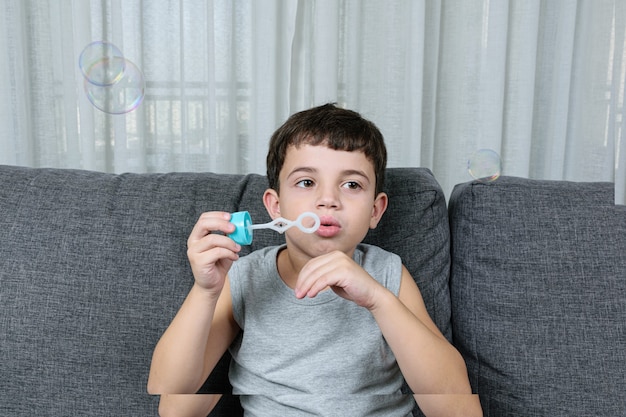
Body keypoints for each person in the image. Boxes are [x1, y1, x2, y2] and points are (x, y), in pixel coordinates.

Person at [148, 103, 483, 416]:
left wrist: (378, 301)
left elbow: (459, 410)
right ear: (275, 207)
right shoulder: (245, 277)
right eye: (307, 182)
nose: (328, 200)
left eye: (351, 184)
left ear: (375, 210)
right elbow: (174, 406)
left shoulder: (385, 274)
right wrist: (205, 292)